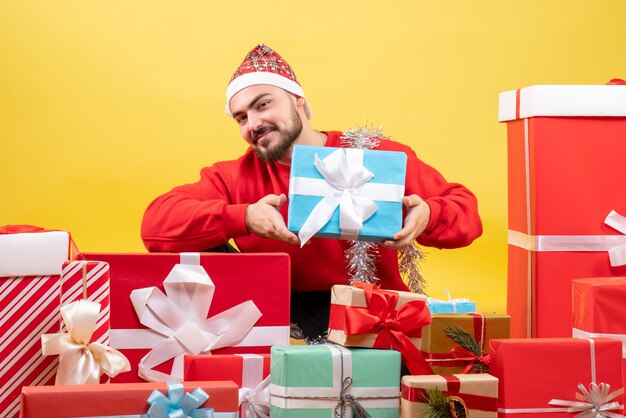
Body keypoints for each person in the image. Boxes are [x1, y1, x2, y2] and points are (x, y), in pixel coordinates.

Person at [141, 44, 482, 339]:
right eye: (241, 118)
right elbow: (157, 224)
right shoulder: (233, 176)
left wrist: (429, 213)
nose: (253, 124)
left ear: (298, 99)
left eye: (263, 105)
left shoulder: (373, 156)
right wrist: (243, 216)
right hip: (278, 318)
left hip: (376, 317)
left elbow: (466, 214)